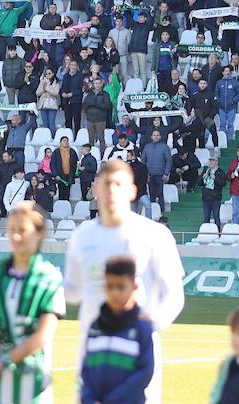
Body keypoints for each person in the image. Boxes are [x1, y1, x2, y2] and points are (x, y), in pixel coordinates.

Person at [64, 160, 184, 404]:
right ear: (95, 189)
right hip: (94, 348)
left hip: (136, 349)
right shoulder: (81, 236)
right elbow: (73, 291)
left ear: (132, 190)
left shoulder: (155, 234)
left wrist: (152, 324)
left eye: (118, 184)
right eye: (105, 184)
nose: (111, 191)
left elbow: (174, 294)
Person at [0, 201, 64, 404]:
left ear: (39, 232)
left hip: (33, 387)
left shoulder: (49, 278)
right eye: (11, 229)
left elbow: (42, 336)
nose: (15, 236)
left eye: (22, 230)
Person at [79, 256, 155, 404]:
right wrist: (89, 399)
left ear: (134, 287)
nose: (114, 293)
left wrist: (112, 401)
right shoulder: (95, 326)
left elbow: (144, 372)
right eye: (110, 286)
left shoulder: (142, 328)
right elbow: (86, 370)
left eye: (120, 287)